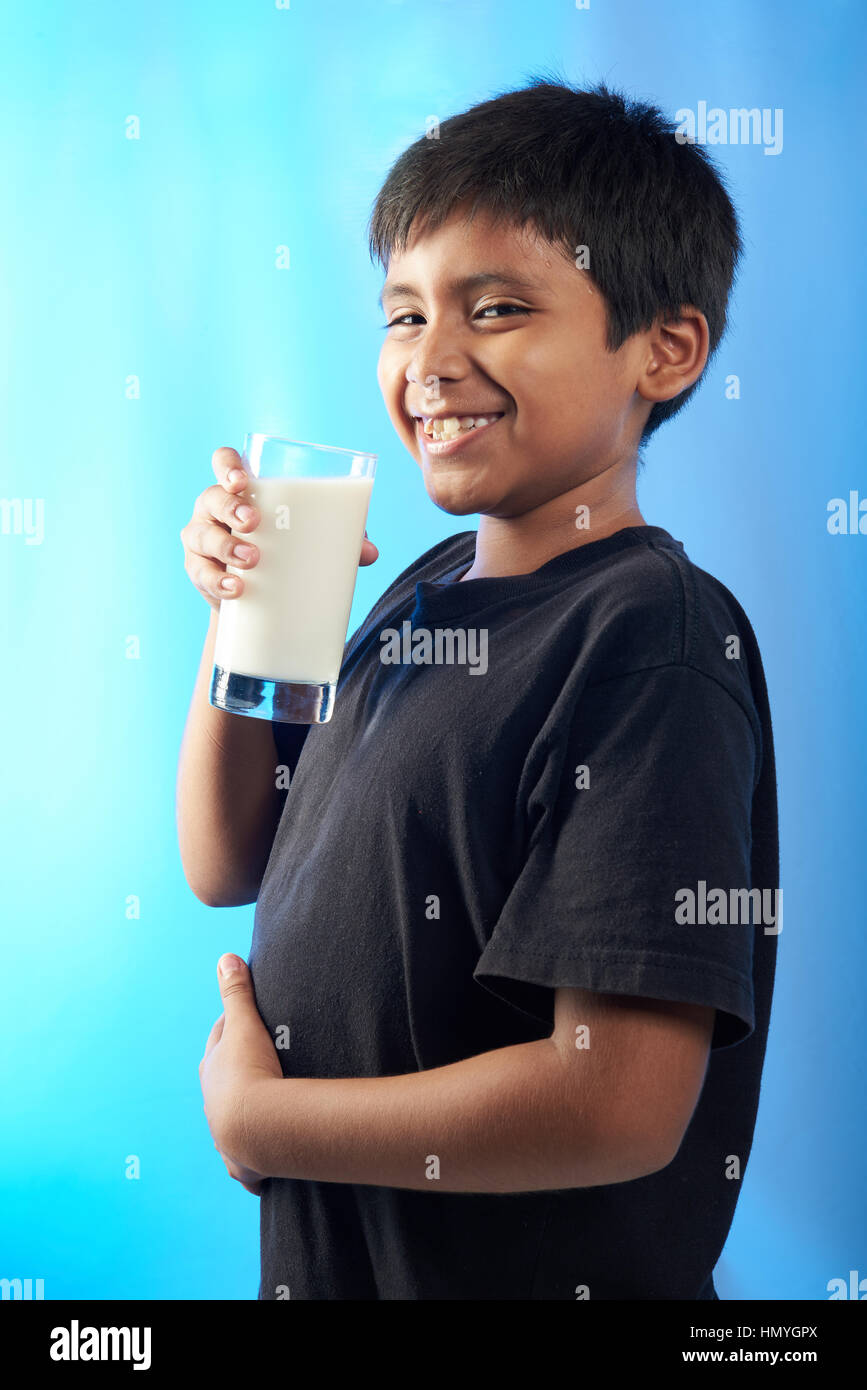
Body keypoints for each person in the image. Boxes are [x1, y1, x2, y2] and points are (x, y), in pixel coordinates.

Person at [180, 77, 779, 1300]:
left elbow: (614, 1101)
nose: (432, 362)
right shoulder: (420, 588)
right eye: (403, 316)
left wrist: (263, 1124)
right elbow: (228, 856)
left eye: (497, 308)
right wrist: (237, 617)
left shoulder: (652, 636)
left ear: (663, 348)